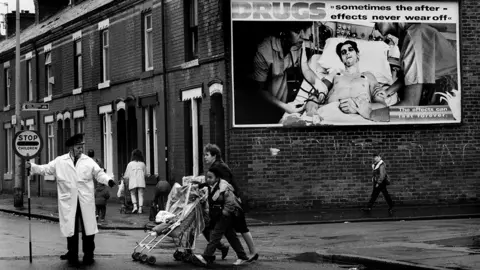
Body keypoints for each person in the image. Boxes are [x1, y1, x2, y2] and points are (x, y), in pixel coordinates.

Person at [26, 134, 116, 266]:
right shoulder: (60, 161)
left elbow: (98, 173)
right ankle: (72, 252)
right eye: (78, 147)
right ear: (71, 148)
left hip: (85, 200)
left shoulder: (88, 161)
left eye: (81, 147)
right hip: (69, 201)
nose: (81, 150)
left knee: (88, 229)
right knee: (71, 229)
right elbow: (45, 169)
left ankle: (88, 254)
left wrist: (108, 180)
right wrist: (32, 167)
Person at [374, 22, 458, 106]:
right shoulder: (409, 35)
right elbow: (411, 75)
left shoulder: (413, 37)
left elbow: (410, 104)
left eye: (375, 19)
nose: (375, 26)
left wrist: (372, 114)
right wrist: (387, 91)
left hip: (450, 94)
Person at [201, 143, 258, 261]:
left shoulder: (219, 167)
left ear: (214, 155)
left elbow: (224, 184)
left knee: (241, 227)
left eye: (207, 155)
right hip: (229, 203)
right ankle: (241, 252)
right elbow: (212, 182)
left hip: (233, 202)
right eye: (204, 155)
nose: (204, 157)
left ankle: (253, 252)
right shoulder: (216, 166)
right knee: (230, 230)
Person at [303, 40, 385, 120]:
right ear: (341, 59)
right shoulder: (334, 75)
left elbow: (383, 109)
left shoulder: (368, 76)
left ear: (357, 54)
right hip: (329, 115)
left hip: (360, 117)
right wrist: (312, 109)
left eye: (350, 49)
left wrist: (357, 108)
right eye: (343, 52)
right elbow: (318, 91)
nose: (347, 53)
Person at [251, 22, 313, 123]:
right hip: (264, 102)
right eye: (297, 31)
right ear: (283, 32)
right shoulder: (263, 51)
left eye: (304, 31)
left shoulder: (297, 44)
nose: (303, 36)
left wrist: (318, 85)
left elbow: (305, 68)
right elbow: (259, 89)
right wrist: (284, 106)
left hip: (281, 92)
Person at [192, 167, 250, 266]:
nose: (208, 179)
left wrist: (224, 213)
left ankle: (207, 256)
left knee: (215, 235)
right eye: (207, 177)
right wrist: (194, 186)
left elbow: (230, 202)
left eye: (210, 177)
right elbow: (203, 185)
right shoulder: (212, 185)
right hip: (220, 215)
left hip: (226, 215)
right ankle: (242, 256)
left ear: (217, 178)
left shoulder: (224, 187)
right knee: (231, 236)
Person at [123, 149, 147, 214]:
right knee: (141, 194)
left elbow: (126, 175)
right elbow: (145, 174)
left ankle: (135, 206)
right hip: (141, 181)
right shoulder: (143, 164)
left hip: (132, 181)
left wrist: (125, 179)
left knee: (132, 193)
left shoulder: (130, 164)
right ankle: (140, 208)